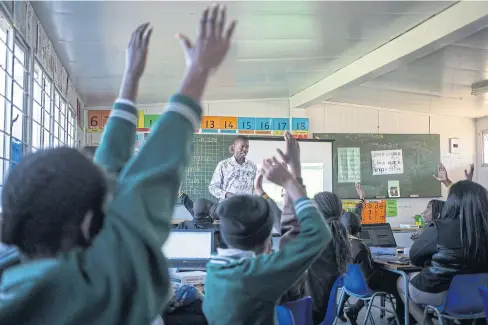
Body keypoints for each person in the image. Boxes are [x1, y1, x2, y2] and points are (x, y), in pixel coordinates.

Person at [0, 4, 236, 324]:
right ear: (88, 222)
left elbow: (128, 178)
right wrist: (198, 71)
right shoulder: (108, 287)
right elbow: (150, 178)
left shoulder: (12, 276)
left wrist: (132, 82)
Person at [203, 132, 331, 325]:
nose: (245, 149)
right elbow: (311, 233)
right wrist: (291, 178)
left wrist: (260, 192)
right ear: (267, 241)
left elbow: (289, 233)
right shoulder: (260, 275)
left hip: (237, 214)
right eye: (242, 146)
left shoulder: (214, 270)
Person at [398, 180, 488, 325]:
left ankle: (426, 322)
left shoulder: (439, 227)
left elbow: (414, 257)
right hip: (481, 296)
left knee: (401, 281)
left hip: (439, 291)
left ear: (452, 202)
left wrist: (431, 260)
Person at [340, 212, 405, 325]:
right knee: (400, 281)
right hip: (365, 287)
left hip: (349, 285)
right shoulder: (361, 247)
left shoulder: (342, 244)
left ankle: (354, 309)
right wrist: (381, 272)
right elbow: (369, 279)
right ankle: (400, 319)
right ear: (360, 228)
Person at [208, 135, 257, 201]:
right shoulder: (223, 165)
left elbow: (256, 189)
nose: (245, 149)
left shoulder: (252, 166)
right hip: (227, 206)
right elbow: (212, 188)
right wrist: (227, 194)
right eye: (242, 146)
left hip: (247, 207)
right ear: (234, 147)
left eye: (247, 147)